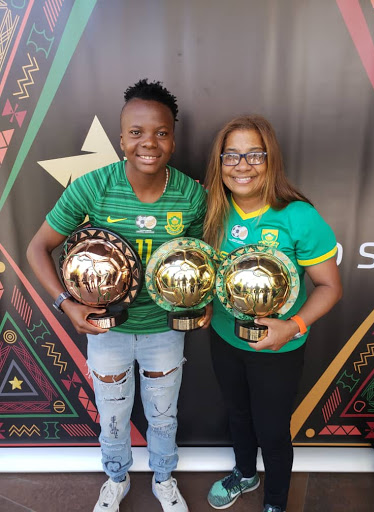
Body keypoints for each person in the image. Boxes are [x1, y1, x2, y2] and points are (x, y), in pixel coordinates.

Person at [27, 78, 210, 512]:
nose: (149, 142)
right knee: (112, 415)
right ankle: (116, 478)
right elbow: (38, 247)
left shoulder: (191, 196)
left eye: (161, 133)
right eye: (136, 132)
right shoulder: (92, 187)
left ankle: (165, 479)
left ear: (173, 137)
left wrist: (201, 304)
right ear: (121, 137)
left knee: (163, 416)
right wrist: (66, 303)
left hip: (164, 331)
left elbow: (204, 262)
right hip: (105, 330)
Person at [203, 115, 342, 512]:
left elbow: (331, 288)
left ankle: (276, 502)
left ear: (271, 160)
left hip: (277, 350)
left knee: (273, 430)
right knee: (237, 414)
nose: (242, 165)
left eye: (254, 154)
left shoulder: (299, 216)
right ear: (219, 161)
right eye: (231, 155)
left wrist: (292, 326)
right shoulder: (213, 210)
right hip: (225, 339)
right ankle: (245, 475)